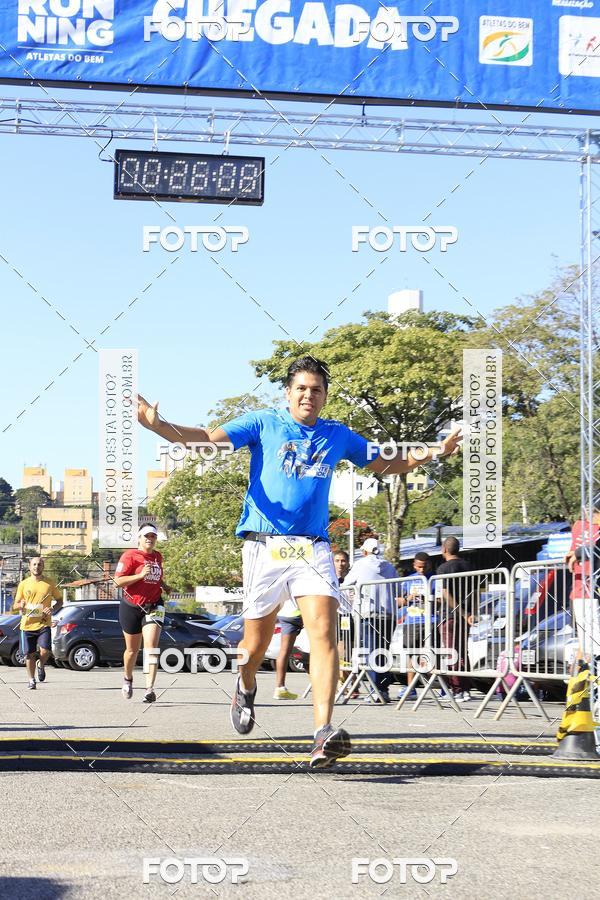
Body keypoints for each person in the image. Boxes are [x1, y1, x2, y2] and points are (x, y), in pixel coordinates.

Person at [137, 356, 461, 768]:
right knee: (254, 644)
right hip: (264, 546)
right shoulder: (261, 423)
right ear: (288, 393)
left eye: (317, 390)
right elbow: (206, 439)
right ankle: (246, 683)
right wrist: (159, 427)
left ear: (325, 396)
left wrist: (433, 451)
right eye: (302, 388)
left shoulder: (337, 435)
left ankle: (322, 732)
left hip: (313, 547)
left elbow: (386, 461)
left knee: (325, 632)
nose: (309, 395)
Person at [113, 523, 171, 702]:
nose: (150, 539)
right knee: (132, 650)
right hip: (131, 606)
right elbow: (117, 582)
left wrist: (164, 585)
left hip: (154, 605)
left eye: (153, 536)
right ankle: (128, 679)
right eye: (146, 536)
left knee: (151, 647)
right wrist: (139, 576)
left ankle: (149, 689)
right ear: (139, 538)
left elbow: (156, 578)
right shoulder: (130, 556)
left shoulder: (158, 556)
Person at [341, 537, 399, 703]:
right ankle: (383, 689)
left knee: (371, 652)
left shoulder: (360, 564)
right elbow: (399, 589)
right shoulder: (388, 566)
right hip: (388, 614)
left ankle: (375, 690)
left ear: (364, 551)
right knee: (383, 652)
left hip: (367, 613)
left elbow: (346, 584)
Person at [13, 557, 62, 690]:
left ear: (43, 567)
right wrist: (21, 604)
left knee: (45, 651)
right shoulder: (24, 584)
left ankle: (41, 665)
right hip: (27, 625)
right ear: (30, 567)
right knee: (29, 654)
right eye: (34, 564)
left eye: (39, 564)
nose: (37, 566)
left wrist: (52, 608)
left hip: (43, 624)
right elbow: (15, 605)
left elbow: (59, 601)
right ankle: (31, 680)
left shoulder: (49, 583)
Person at [434, 537, 473, 703]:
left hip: (450, 616)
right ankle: (465, 689)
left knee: (452, 652)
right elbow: (475, 591)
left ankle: (457, 689)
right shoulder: (469, 566)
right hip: (466, 616)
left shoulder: (443, 567)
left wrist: (462, 612)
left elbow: (445, 593)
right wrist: (470, 613)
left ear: (444, 549)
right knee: (463, 651)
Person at [396, 551, 434, 701]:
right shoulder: (408, 580)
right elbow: (398, 601)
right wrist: (407, 599)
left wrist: (428, 599)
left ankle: (444, 688)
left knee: (432, 654)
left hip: (430, 620)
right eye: (419, 567)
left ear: (429, 565)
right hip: (411, 621)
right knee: (411, 655)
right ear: (414, 565)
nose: (422, 570)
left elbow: (440, 599)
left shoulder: (435, 579)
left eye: (424, 567)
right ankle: (411, 688)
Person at [565, 506, 600, 661]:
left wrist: (577, 553)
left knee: (586, 647)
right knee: (590, 648)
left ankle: (576, 683)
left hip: (583, 593)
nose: (592, 517)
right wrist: (578, 553)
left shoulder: (580, 526)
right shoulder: (582, 526)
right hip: (586, 594)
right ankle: (580, 682)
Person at [273, 600, 303, 700]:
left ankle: (280, 687)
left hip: (285, 613)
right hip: (300, 612)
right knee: (317, 649)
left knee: (284, 652)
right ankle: (321, 687)